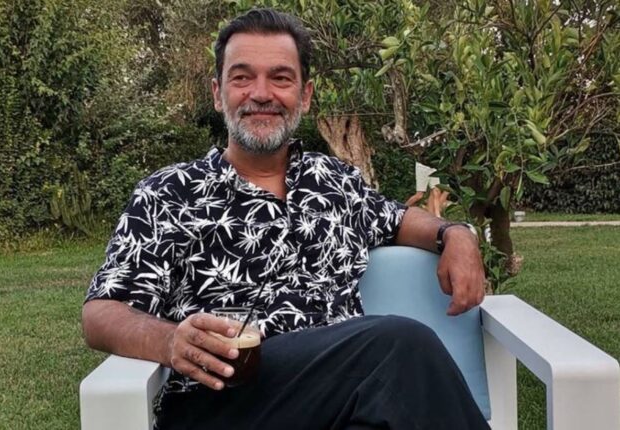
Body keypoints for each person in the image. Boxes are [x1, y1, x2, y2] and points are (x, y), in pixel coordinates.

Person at [82, 8, 489, 430]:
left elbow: (398, 219)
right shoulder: (170, 192)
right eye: (242, 77)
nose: (261, 94)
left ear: (305, 95)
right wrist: (169, 341)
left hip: (344, 401)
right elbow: (101, 312)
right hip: (225, 399)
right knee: (401, 346)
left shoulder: (333, 181)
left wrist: (454, 234)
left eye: (280, 78)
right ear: (218, 93)